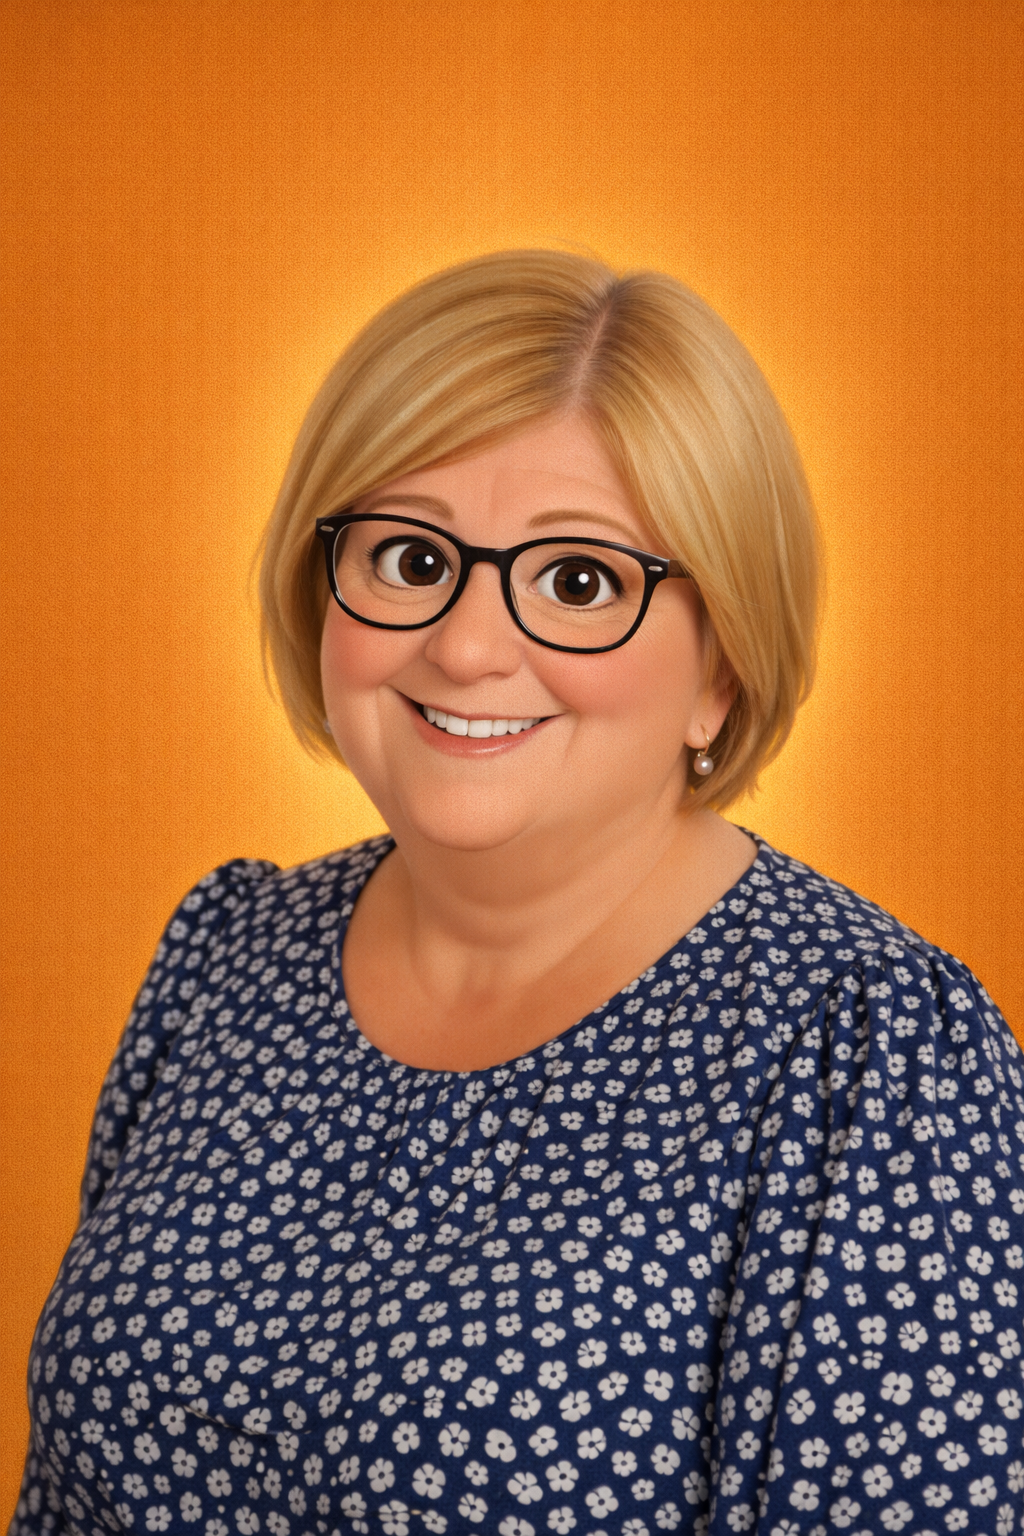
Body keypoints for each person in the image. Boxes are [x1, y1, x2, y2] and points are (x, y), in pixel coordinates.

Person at [11, 251, 1023, 1536]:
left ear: (721, 663)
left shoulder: (866, 1054)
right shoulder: (225, 956)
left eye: (578, 581)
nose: (467, 645)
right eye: (408, 557)